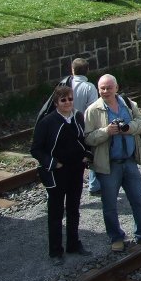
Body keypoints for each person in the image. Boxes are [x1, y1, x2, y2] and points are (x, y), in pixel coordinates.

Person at [84, 74, 141, 252]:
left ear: (116, 88)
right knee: (110, 205)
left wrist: (128, 128)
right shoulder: (92, 110)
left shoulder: (128, 104)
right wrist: (106, 131)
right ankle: (116, 238)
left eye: (108, 88)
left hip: (129, 161)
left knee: (138, 200)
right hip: (108, 164)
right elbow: (88, 138)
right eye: (102, 88)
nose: (105, 91)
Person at [31, 85, 91, 264]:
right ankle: (55, 251)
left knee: (74, 209)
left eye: (70, 99)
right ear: (56, 102)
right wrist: (52, 163)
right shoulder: (47, 122)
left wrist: (86, 156)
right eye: (63, 100)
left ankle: (73, 243)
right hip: (57, 173)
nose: (67, 103)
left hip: (75, 170)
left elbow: (83, 141)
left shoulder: (78, 117)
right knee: (56, 213)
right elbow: (36, 149)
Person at [64, 58, 100, 195]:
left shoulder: (66, 84)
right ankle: (94, 184)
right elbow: (92, 109)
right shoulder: (89, 87)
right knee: (92, 154)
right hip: (84, 126)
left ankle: (69, 187)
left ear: (72, 70)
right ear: (87, 70)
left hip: (67, 126)